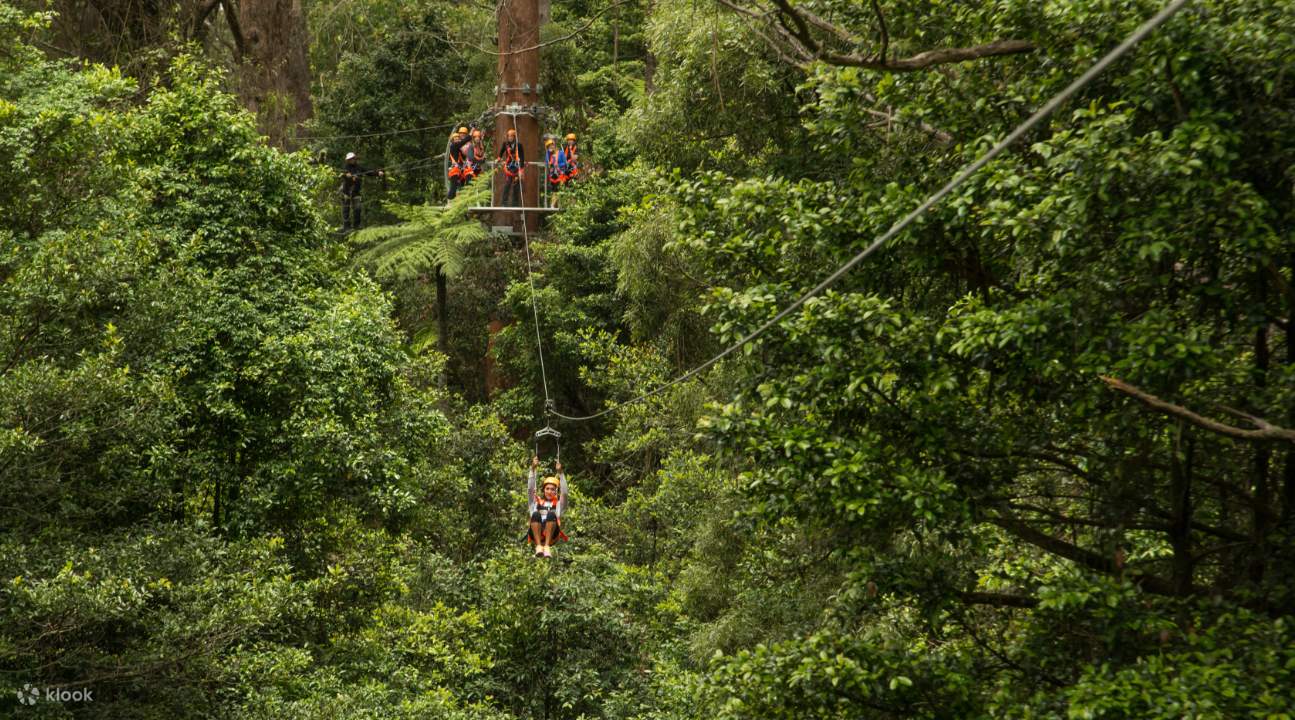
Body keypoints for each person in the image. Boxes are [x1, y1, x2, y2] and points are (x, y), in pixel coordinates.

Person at [527, 455, 568, 558]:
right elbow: (530, 489)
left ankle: (546, 546)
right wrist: (532, 469)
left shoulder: (559, 505)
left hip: (552, 535)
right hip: (537, 534)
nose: (550, 491)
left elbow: (565, 493)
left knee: (551, 514)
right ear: (543, 490)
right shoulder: (535, 503)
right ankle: (539, 546)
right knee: (536, 514)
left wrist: (561, 473)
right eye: (547, 489)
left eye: (553, 489)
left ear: (556, 491)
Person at [340, 152, 383, 232]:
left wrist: (377, 173)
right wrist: (347, 175)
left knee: (357, 209)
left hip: (356, 192)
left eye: (353, 158)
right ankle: (346, 227)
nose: (352, 160)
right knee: (346, 209)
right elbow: (343, 174)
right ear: (348, 160)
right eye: (350, 159)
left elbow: (368, 172)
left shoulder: (359, 168)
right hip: (346, 192)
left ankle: (357, 226)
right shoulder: (345, 168)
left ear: (355, 159)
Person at [497, 128, 525, 207]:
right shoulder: (505, 144)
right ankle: (504, 202)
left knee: (516, 185)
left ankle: (515, 203)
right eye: (509, 136)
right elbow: (502, 151)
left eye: (511, 136)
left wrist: (521, 169)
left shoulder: (519, 145)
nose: (510, 138)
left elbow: (522, 157)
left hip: (516, 167)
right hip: (509, 167)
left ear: (514, 137)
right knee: (507, 184)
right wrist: (499, 158)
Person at [447, 126, 470, 200]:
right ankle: (450, 200)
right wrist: (471, 132)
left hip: (460, 170)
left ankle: (460, 200)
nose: (457, 140)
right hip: (455, 170)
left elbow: (465, 154)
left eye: (458, 139)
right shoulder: (454, 146)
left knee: (462, 185)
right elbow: (463, 142)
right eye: (455, 139)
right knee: (453, 186)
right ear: (453, 141)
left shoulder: (459, 148)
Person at [544, 138, 567, 203]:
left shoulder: (561, 153)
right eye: (549, 146)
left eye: (552, 145)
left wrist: (558, 165)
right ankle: (553, 204)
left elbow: (565, 162)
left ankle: (562, 204)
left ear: (555, 145)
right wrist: (548, 153)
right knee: (554, 190)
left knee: (561, 189)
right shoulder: (548, 154)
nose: (551, 147)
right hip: (553, 175)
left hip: (560, 173)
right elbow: (546, 162)